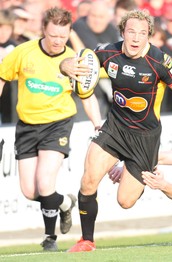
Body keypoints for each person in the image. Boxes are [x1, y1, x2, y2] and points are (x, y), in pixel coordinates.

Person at [59, 9, 172, 252]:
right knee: (88, 181)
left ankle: (131, 166)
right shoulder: (108, 51)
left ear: (149, 35)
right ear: (123, 32)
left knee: (125, 201)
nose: (136, 38)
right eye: (131, 32)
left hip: (145, 138)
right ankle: (86, 241)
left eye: (142, 33)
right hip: (114, 128)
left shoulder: (159, 61)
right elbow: (73, 61)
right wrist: (66, 65)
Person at [0, 7, 102, 251]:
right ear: (43, 30)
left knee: (45, 184)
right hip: (26, 125)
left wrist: (98, 123)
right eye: (53, 35)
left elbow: (87, 96)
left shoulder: (75, 62)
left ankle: (50, 239)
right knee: (29, 191)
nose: (58, 41)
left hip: (57, 125)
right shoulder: (23, 53)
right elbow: (2, 78)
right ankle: (65, 203)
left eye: (63, 36)